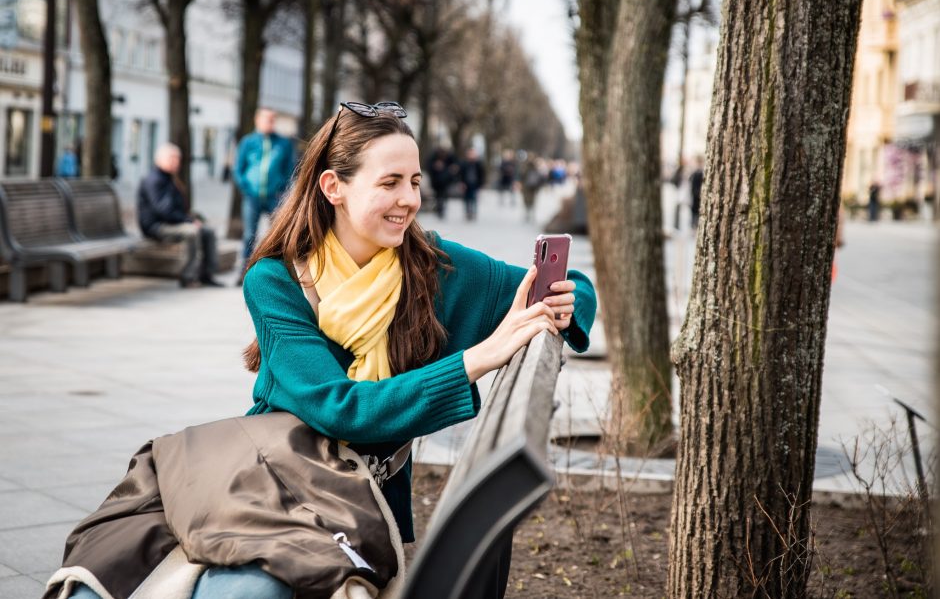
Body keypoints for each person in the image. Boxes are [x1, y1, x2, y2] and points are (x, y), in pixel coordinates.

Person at [53, 101, 597, 599]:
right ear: (334, 186)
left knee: (247, 592)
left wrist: (570, 301)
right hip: (264, 474)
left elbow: (572, 284)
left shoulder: (435, 267)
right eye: (389, 183)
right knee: (111, 579)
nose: (409, 199)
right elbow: (340, 408)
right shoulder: (275, 280)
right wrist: (479, 358)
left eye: (414, 181)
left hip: (342, 499)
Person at [137, 143, 222, 288]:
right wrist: (189, 221)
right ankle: (187, 276)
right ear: (159, 159)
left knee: (208, 231)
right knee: (192, 231)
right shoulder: (155, 180)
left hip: (170, 223)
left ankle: (207, 275)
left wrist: (192, 218)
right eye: (172, 158)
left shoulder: (168, 178)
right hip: (156, 226)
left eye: (178, 159)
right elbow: (164, 210)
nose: (176, 162)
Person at [234, 107, 297, 278]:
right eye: (266, 119)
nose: (269, 122)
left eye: (272, 119)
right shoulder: (248, 142)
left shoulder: (283, 143)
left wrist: (283, 192)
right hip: (252, 197)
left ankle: (277, 272)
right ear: (257, 120)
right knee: (249, 234)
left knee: (278, 233)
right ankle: (243, 272)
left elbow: (289, 170)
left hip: (274, 197)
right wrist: (245, 187)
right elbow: (238, 169)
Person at [426, 146, 455, 218]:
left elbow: (454, 166)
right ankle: (439, 210)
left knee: (443, 196)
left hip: (445, 182)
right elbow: (428, 166)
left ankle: (442, 209)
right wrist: (434, 166)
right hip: (436, 182)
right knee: (438, 197)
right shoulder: (433, 158)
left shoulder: (449, 158)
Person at [458, 146, 485, 221]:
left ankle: (473, 213)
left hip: (475, 184)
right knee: (466, 199)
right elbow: (461, 174)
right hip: (466, 184)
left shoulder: (479, 164)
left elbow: (482, 175)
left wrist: (480, 185)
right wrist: (461, 183)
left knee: (474, 199)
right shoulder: (464, 163)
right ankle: (467, 213)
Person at [689, 155, 704, 228]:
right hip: (695, 197)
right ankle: (693, 226)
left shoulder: (700, 173)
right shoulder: (695, 173)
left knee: (696, 213)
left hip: (698, 197)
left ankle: (695, 226)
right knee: (694, 213)